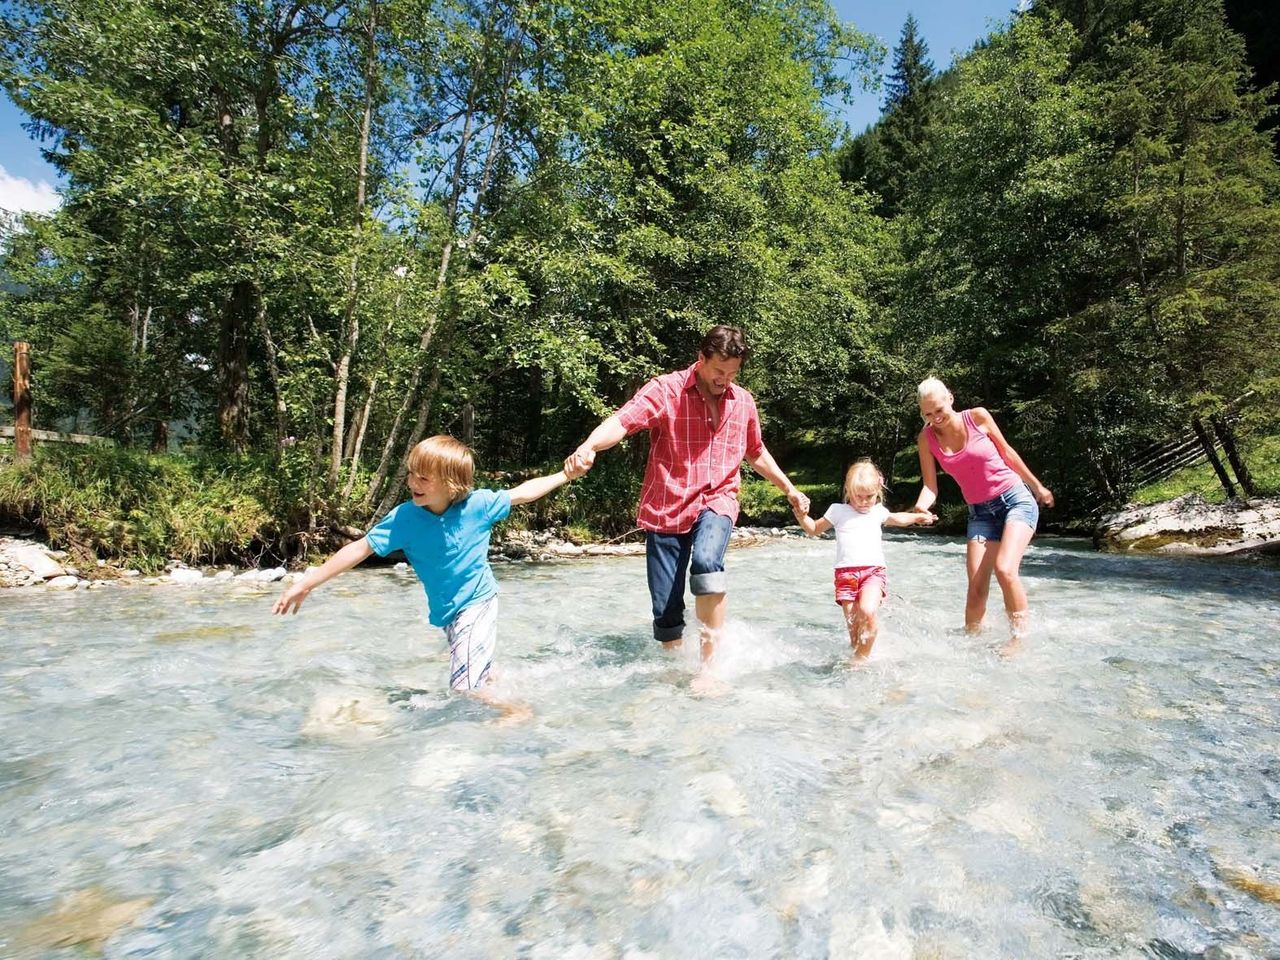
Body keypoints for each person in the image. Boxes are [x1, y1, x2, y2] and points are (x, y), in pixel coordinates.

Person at [565, 325, 809, 680]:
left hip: (718, 499)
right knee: (666, 612)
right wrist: (588, 446)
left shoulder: (743, 402)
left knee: (708, 562)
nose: (725, 379)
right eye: (718, 371)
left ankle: (708, 669)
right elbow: (622, 421)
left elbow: (755, 452)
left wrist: (789, 488)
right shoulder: (666, 390)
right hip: (667, 503)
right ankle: (674, 671)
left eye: (732, 373)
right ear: (700, 359)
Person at [273, 435, 583, 710]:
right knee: (478, 674)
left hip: (478, 603)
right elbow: (360, 549)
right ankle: (501, 682)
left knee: (463, 690)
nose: (412, 483)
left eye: (423, 478)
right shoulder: (405, 518)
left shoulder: (478, 506)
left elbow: (523, 493)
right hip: (448, 612)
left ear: (453, 484)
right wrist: (308, 583)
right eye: (411, 474)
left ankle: (517, 712)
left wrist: (564, 475)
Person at [910, 377, 1054, 643]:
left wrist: (1038, 487)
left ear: (950, 399)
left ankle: (1018, 641)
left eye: (939, 410)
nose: (935, 418)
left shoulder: (977, 417)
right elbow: (930, 486)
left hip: (1015, 500)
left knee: (1005, 569)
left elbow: (1008, 453)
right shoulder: (926, 438)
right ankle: (972, 646)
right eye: (927, 414)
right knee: (976, 588)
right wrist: (921, 506)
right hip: (980, 514)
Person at [792, 460, 934, 658]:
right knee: (854, 628)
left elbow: (898, 518)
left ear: (878, 492)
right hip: (845, 575)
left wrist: (916, 518)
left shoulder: (877, 511)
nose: (865, 501)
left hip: (873, 572)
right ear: (849, 491)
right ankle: (858, 659)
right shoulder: (837, 511)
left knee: (867, 611)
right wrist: (801, 516)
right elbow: (814, 529)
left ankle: (861, 660)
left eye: (870, 496)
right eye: (859, 496)